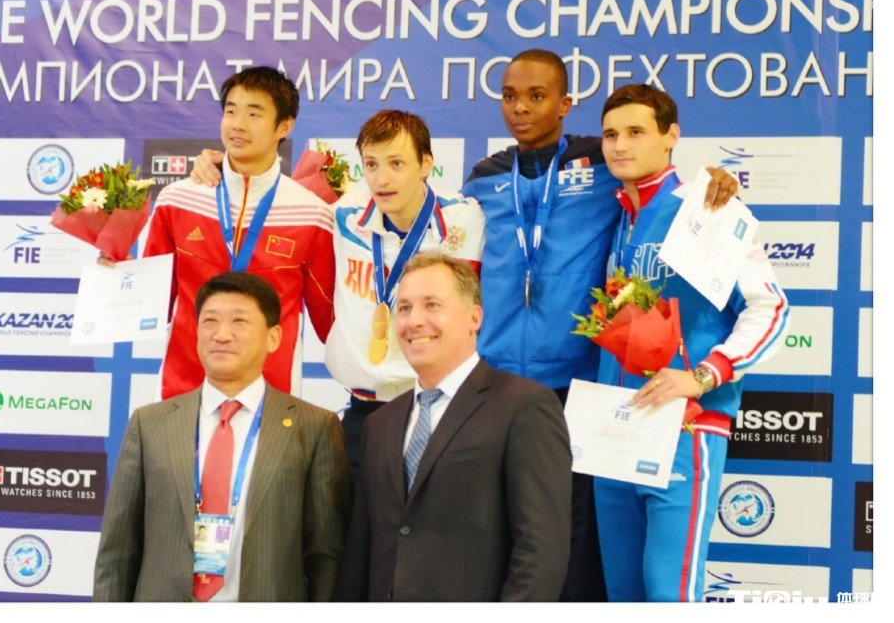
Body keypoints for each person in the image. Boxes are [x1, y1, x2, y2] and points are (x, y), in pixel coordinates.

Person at [461, 49, 738, 601]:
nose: (521, 108)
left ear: (565, 104)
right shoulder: (485, 177)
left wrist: (717, 183)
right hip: (498, 381)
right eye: (509, 96)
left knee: (582, 549)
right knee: (498, 536)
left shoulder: (601, 163)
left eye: (537, 96)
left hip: (582, 390)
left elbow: (661, 183)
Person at [191, 110, 485, 473]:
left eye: (396, 163)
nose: (382, 179)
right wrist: (222, 167)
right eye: (371, 164)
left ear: (426, 164)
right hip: (364, 412)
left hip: (440, 405)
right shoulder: (343, 215)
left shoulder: (469, 218)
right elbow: (269, 201)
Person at [593, 84, 789, 602]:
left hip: (683, 426)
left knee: (669, 594)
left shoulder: (708, 207)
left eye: (636, 132)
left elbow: (770, 308)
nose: (620, 145)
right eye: (610, 134)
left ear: (671, 136)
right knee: (623, 595)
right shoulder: (617, 217)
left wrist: (704, 375)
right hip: (615, 429)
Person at [93, 271, 351, 602]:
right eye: (210, 321)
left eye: (239, 322)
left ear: (273, 337)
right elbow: (117, 552)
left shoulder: (314, 428)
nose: (222, 335)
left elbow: (325, 555)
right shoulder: (149, 425)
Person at [334, 253, 571, 602]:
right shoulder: (380, 424)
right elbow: (361, 553)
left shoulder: (524, 407)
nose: (414, 321)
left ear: (474, 317)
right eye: (404, 308)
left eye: (432, 305)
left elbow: (541, 554)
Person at [142, 66, 335, 399]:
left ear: (284, 126)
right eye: (231, 111)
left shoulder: (312, 214)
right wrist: (115, 271)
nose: (238, 124)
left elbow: (330, 320)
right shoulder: (178, 200)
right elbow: (149, 301)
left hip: (271, 395)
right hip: (184, 388)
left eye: (254, 114)